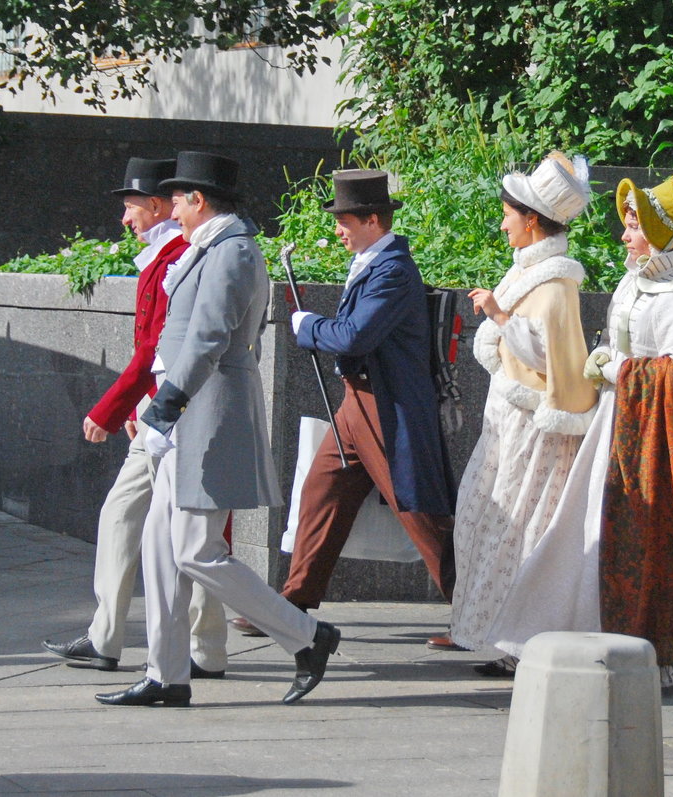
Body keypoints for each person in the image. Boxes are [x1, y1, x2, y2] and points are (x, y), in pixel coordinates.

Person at [486, 155, 673, 685]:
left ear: (660, 233)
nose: (625, 234)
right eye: (627, 223)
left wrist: (614, 365)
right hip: (618, 421)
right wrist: (610, 367)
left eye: (634, 225)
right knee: (582, 525)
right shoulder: (630, 285)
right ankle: (558, 630)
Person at [96, 151, 339, 707]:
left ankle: (307, 636)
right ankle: (166, 674)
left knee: (196, 552)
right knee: (162, 549)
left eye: (178, 200)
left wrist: (166, 405)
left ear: (199, 201)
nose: (171, 210)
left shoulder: (232, 252)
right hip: (185, 412)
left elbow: (208, 338)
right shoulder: (212, 248)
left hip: (204, 412)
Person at [42, 157, 227, 678]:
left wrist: (119, 406)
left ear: (156, 204)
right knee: (164, 526)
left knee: (167, 525)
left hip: (176, 405)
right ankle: (194, 647)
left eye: (129, 207)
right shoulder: (167, 253)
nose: (124, 220)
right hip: (163, 403)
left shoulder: (180, 256)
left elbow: (159, 346)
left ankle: (143, 642)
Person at [282, 169, 456, 618]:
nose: (338, 229)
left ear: (373, 221)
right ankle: (294, 601)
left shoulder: (393, 270)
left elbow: (355, 337)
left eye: (345, 220)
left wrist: (308, 327)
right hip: (357, 402)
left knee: (420, 514)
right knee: (322, 491)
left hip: (386, 405)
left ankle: (477, 609)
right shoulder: (374, 263)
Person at [450, 153, 597, 675]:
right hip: (513, 417)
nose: (503, 222)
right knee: (493, 520)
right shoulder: (533, 272)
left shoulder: (554, 282)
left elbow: (548, 355)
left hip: (534, 424)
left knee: (524, 528)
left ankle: (521, 645)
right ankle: (501, 637)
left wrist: (497, 314)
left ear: (532, 219)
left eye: (509, 214)